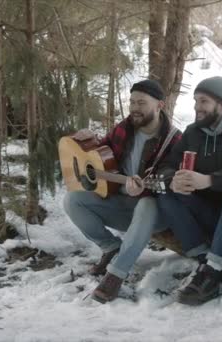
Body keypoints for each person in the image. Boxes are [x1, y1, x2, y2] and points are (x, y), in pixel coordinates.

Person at [63, 79, 181, 303]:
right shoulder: (124, 128)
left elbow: (170, 176)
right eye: (132, 102)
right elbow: (100, 155)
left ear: (160, 106)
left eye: (142, 103)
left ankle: (116, 275)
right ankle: (111, 247)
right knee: (73, 200)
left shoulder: (174, 139)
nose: (135, 108)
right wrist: (87, 140)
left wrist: (145, 188)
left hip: (155, 212)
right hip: (122, 205)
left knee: (147, 204)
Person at [157, 76, 222, 305]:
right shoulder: (192, 132)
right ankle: (202, 258)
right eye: (195, 101)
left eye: (203, 101)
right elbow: (166, 167)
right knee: (166, 192)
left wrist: (209, 180)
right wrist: (172, 180)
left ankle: (214, 272)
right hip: (205, 215)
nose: (197, 107)